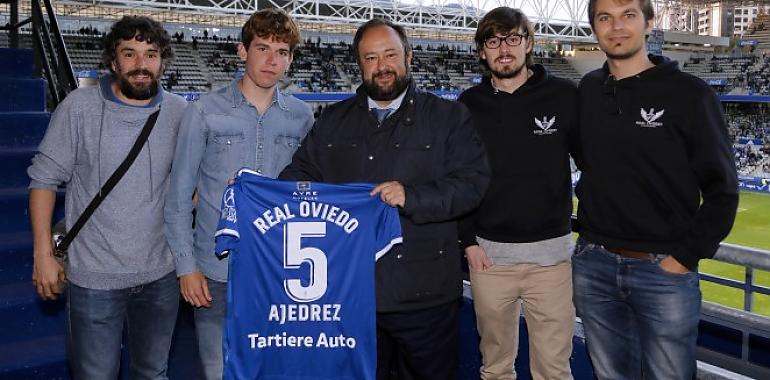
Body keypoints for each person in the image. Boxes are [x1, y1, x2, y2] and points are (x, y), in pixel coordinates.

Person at [279, 18, 490, 380]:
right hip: (351, 295)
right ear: (359, 66)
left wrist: (413, 196)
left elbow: (472, 184)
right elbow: (299, 177)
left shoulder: (448, 116)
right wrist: (256, 189)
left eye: (390, 54)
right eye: (371, 58)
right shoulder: (333, 120)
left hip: (426, 298)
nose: (382, 66)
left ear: (408, 56)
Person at [572, 0, 739, 378]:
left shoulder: (691, 95)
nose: (617, 27)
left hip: (662, 270)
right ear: (594, 29)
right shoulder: (589, 89)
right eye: (605, 18)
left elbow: (723, 190)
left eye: (628, 15)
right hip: (594, 264)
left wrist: (681, 259)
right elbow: (588, 161)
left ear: (649, 23)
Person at [28, 15, 187, 379]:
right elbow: (42, 180)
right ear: (113, 61)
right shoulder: (79, 107)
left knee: (152, 373)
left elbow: (186, 185)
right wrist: (42, 254)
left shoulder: (179, 111)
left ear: (162, 60)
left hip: (161, 275)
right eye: (129, 54)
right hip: (94, 279)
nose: (140, 65)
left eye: (150, 54)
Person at [164, 9, 313, 380]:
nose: (272, 60)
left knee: (276, 370)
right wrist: (187, 267)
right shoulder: (204, 112)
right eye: (262, 48)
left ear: (291, 59)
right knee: (219, 372)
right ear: (242, 51)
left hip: (281, 271)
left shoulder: (302, 116)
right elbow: (179, 196)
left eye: (282, 51)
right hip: (217, 271)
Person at [458, 7, 577, 380]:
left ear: (529, 44)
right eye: (493, 41)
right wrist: (468, 242)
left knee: (554, 370)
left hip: (552, 261)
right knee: (495, 368)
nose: (503, 49)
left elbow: (598, 164)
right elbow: (457, 179)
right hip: (489, 260)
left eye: (513, 38)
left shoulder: (564, 96)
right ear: (482, 51)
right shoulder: (467, 106)